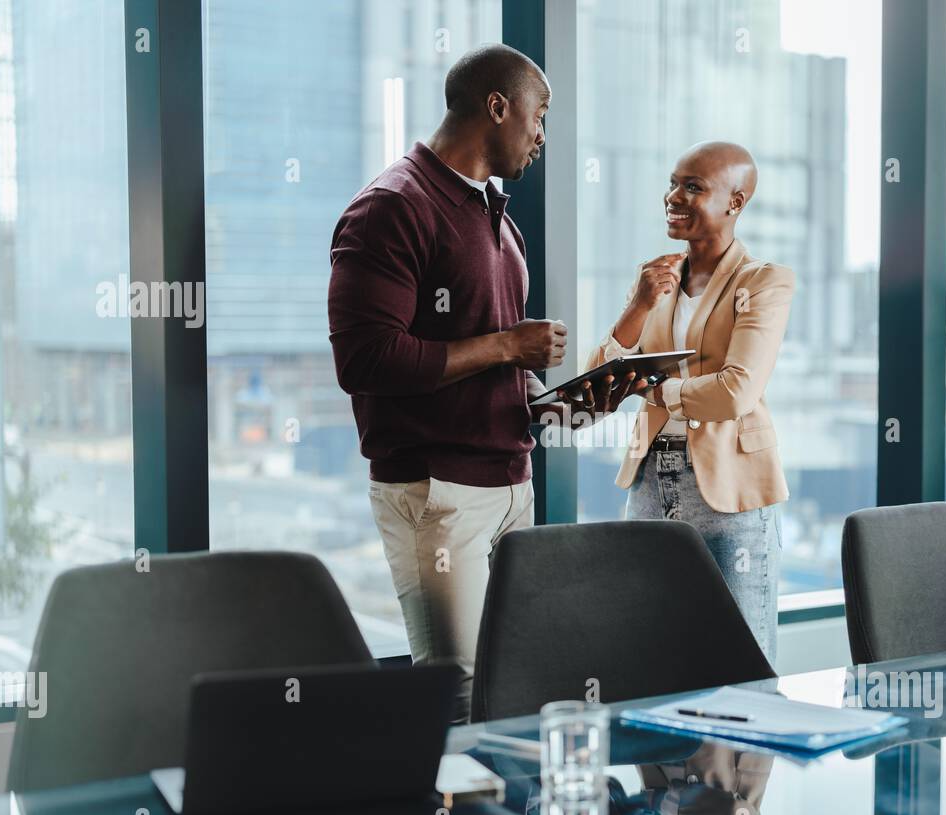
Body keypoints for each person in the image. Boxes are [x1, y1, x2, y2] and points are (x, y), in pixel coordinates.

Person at [328, 44, 622, 722]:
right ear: (497, 107)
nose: (543, 135)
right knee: (458, 696)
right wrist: (506, 345)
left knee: (515, 689)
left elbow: (492, 377)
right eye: (539, 115)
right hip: (439, 493)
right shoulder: (391, 207)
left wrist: (572, 406)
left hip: (511, 486)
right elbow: (365, 360)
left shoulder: (498, 220)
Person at [582, 141, 795, 664]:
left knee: (742, 659)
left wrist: (655, 390)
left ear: (735, 202)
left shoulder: (763, 281)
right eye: (673, 183)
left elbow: (735, 389)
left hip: (731, 490)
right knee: (650, 651)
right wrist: (639, 304)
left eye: (693, 187)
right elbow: (598, 383)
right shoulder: (658, 280)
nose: (674, 196)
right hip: (652, 480)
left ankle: (741, 751)